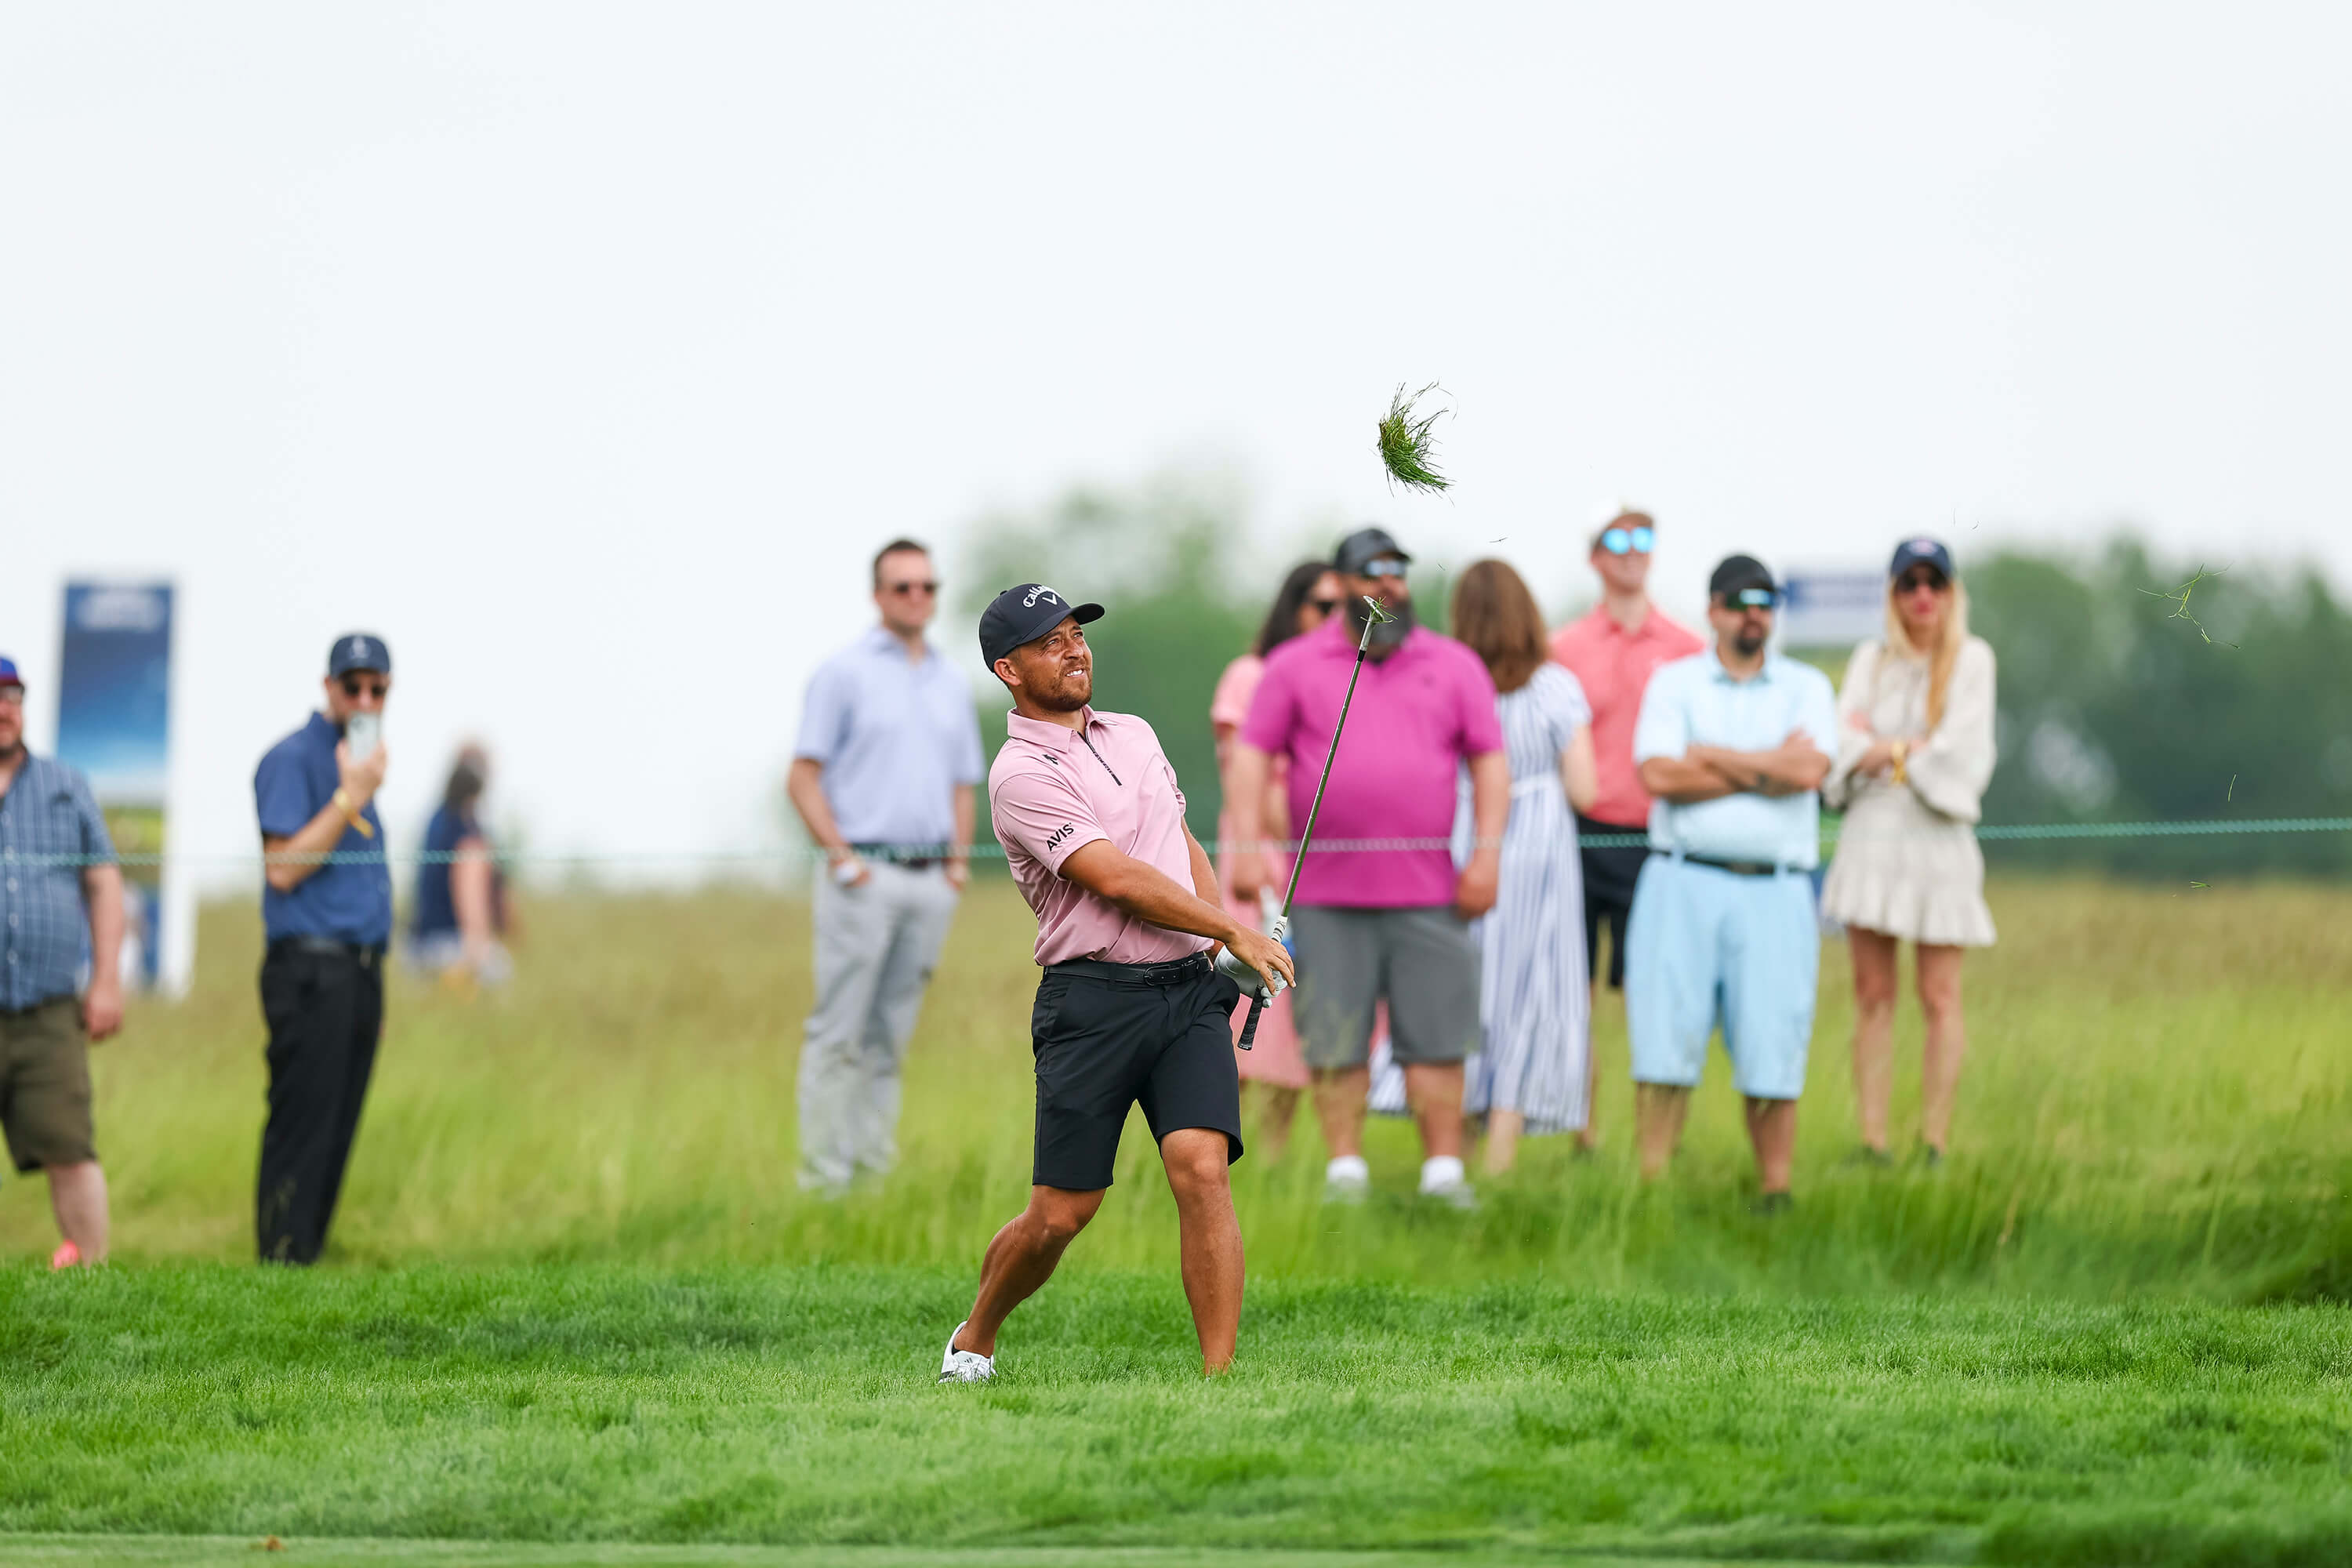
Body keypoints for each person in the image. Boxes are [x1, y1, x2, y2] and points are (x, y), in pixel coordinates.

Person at [939, 583, 1294, 1382]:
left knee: (1202, 1169)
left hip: (1186, 991)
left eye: (1077, 634)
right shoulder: (1018, 773)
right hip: (1092, 1002)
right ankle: (975, 1336)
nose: (1074, 650)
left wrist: (1218, 944)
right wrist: (1232, 929)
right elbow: (1115, 877)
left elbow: (1180, 840)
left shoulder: (1133, 733)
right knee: (1062, 1213)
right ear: (1008, 669)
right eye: (1049, 642)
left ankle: (1220, 1380)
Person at [1227, 527, 1509, 1209]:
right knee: (1334, 1036)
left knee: (1438, 1037)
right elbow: (1251, 757)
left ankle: (1444, 1174)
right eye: (1373, 573)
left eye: (1398, 572)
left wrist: (1487, 856)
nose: (1389, 585)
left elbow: (1490, 762)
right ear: (1343, 582)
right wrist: (1247, 850)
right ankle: (1345, 1173)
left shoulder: (1454, 664)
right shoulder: (1293, 665)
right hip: (1325, 894)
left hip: (1431, 891)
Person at [1626, 557, 1835, 1210]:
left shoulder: (1806, 687)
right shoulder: (1675, 683)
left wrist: (1712, 755)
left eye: (1766, 602)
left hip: (1778, 888)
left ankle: (1776, 1192)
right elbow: (1660, 777)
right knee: (1664, 1042)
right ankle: (1652, 1189)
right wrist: (1768, 769)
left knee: (1773, 1043)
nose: (1755, 613)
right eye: (1742, 601)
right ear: (1714, 610)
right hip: (1682, 879)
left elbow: (1810, 772)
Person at [786, 539, 985, 1196]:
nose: (917, 597)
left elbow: (963, 783)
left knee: (890, 1034)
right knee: (839, 1031)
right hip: (864, 875)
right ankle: (824, 1181)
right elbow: (803, 777)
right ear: (878, 595)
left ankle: (871, 1178)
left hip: (931, 881)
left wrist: (957, 867)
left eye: (928, 586)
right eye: (903, 586)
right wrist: (843, 860)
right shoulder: (842, 673)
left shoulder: (951, 679)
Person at [1820, 539, 1998, 1166]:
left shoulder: (1972, 659)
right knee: (1872, 995)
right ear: (1893, 594)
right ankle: (1873, 1141)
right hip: (1871, 837)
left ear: (1951, 593)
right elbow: (1838, 747)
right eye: (1910, 583)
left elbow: (1962, 755)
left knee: (1939, 996)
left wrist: (1883, 750)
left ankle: (1934, 1143)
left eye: (1934, 583)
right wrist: (1910, 749)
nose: (1923, 596)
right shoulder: (1870, 661)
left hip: (1939, 835)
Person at [1446, 563, 1600, 1174]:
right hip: (1540, 849)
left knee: (1469, 988)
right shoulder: (1555, 687)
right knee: (1530, 991)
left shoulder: (1454, 681)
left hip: (1466, 838)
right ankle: (1501, 1159)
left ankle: (1454, 1156)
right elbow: (1586, 789)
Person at [253, 633, 395, 1264]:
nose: (364, 700)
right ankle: (280, 1261)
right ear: (329, 687)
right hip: (309, 970)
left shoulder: (363, 764)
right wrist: (349, 797)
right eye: (352, 686)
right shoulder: (292, 759)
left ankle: (304, 1258)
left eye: (376, 689)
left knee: (339, 1128)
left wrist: (374, 983)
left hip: (359, 974)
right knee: (302, 1126)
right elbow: (283, 868)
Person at [1208, 559, 1344, 1158]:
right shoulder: (1251, 673)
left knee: (1293, 1020)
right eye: (1322, 605)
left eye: (1343, 608)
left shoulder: (1330, 680)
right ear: (1294, 606)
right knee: (1244, 1001)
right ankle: (1222, 1149)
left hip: (1317, 859)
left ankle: (1274, 1156)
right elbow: (1247, 773)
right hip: (1260, 855)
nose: (1333, 619)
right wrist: (1260, 849)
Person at [0, 655, 125, 1269]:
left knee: (70, 1147)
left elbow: (103, 882)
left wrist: (106, 981)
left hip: (48, 1010)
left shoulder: (65, 785)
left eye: (12, 697)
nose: (4, 709)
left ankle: (91, 1283)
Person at [1550, 506, 1703, 997]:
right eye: (1618, 542)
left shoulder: (1688, 649)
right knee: (1572, 988)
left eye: (1643, 539)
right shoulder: (1562, 649)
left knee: (1652, 988)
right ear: (1594, 558)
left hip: (1657, 835)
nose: (1632, 551)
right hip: (1580, 834)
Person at [408, 745, 513, 986]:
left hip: (418, 945)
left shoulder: (437, 821)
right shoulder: (465, 831)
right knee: (499, 973)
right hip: (447, 946)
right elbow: (470, 898)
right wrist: (478, 953)